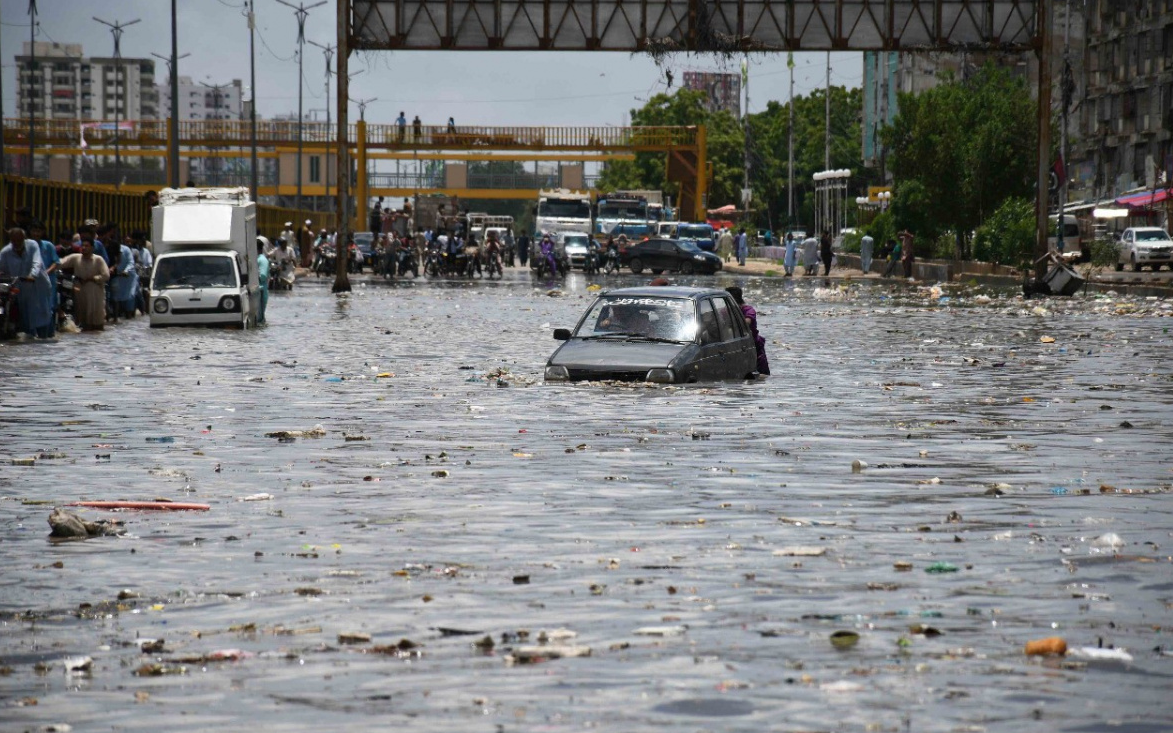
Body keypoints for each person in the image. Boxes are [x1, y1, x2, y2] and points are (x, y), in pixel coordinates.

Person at [0, 227, 54, 338]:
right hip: (20, 290)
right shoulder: (5, 252)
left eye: (19, 240)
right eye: (13, 241)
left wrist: (32, 275)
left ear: (24, 238)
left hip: (38, 287)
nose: (16, 243)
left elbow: (36, 263)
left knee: (42, 318)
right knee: (26, 321)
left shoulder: (32, 245)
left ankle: (45, 342)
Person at [58, 238, 110, 331]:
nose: (84, 248)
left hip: (95, 292)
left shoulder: (98, 260)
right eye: (82, 246)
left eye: (87, 246)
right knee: (83, 320)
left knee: (97, 322)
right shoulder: (76, 258)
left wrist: (92, 278)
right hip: (80, 291)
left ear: (92, 248)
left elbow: (106, 275)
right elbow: (60, 263)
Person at [727, 286, 769, 375]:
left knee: (760, 374)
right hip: (734, 346)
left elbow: (747, 322)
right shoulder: (726, 311)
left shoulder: (749, 310)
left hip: (753, 346)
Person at [29, 221, 60, 337]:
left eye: (39, 231)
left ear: (42, 232)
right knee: (32, 307)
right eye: (34, 231)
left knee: (48, 306)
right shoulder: (26, 245)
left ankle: (48, 333)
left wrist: (45, 273)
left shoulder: (48, 246)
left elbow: (55, 262)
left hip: (48, 282)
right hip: (31, 281)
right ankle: (32, 333)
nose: (36, 233)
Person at [110, 235, 138, 319]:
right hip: (117, 277)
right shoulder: (111, 250)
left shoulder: (126, 250)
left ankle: (129, 317)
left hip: (129, 277)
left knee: (130, 296)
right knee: (116, 298)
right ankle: (116, 318)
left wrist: (126, 270)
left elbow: (131, 262)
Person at [256, 239, 270, 324]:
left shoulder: (262, 260)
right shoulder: (257, 259)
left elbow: (263, 276)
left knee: (260, 319)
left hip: (261, 291)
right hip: (258, 290)